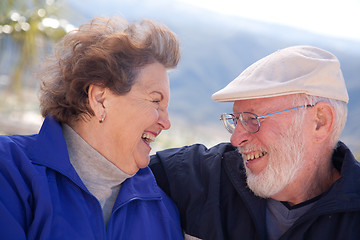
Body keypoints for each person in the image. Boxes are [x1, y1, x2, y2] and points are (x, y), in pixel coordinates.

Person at [0, 16, 183, 239]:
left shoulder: (162, 211)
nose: (166, 122)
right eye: (156, 101)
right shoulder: (9, 170)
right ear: (100, 99)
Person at [150, 45, 360, 240]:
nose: (235, 139)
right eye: (236, 120)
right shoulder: (204, 178)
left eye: (253, 119)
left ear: (320, 122)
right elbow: (122, 167)